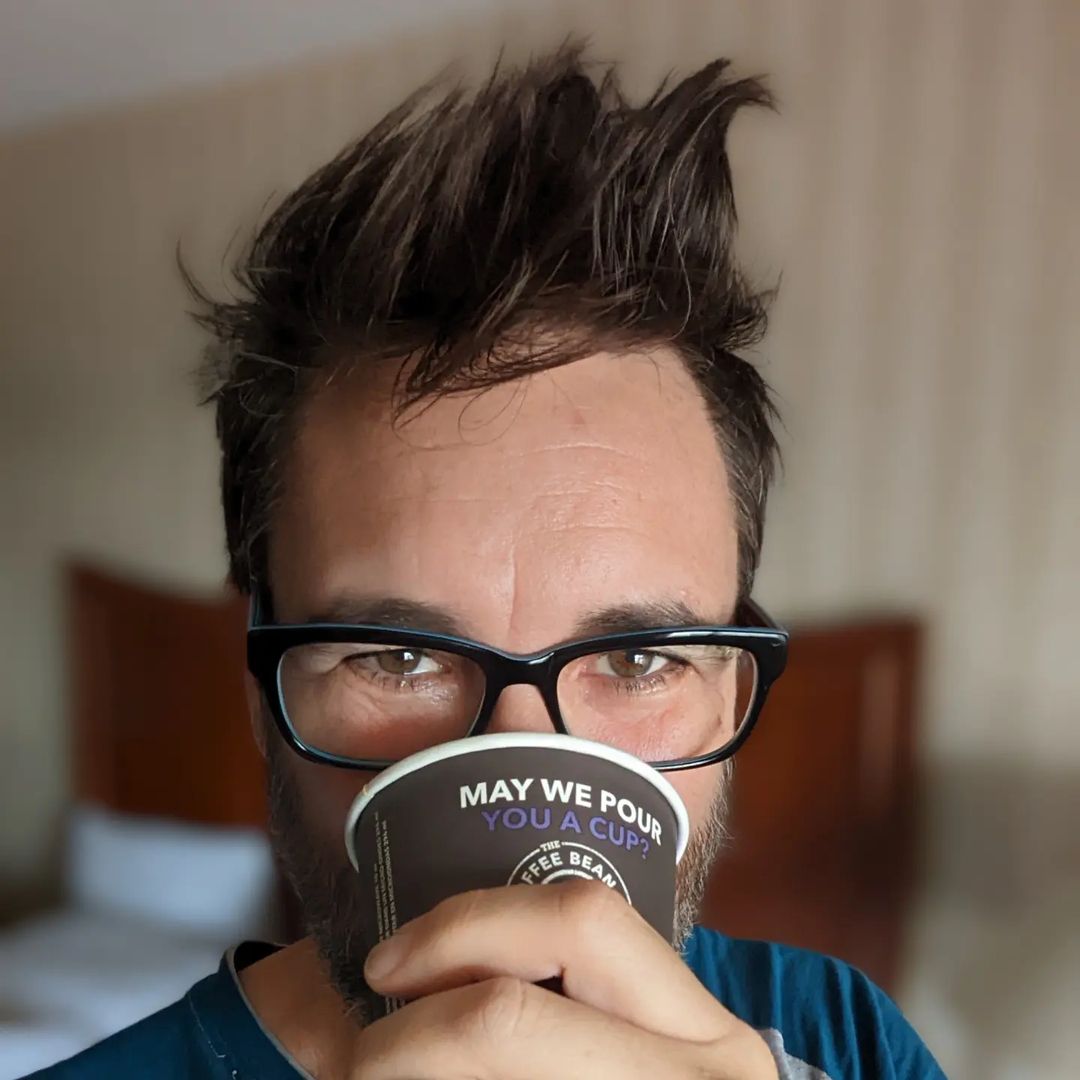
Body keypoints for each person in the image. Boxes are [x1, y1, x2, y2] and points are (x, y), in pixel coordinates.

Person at [30, 45, 944, 1080]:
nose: (522, 766)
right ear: (261, 693)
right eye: (395, 657)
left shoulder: (848, 1041)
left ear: (730, 698)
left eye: (640, 660)